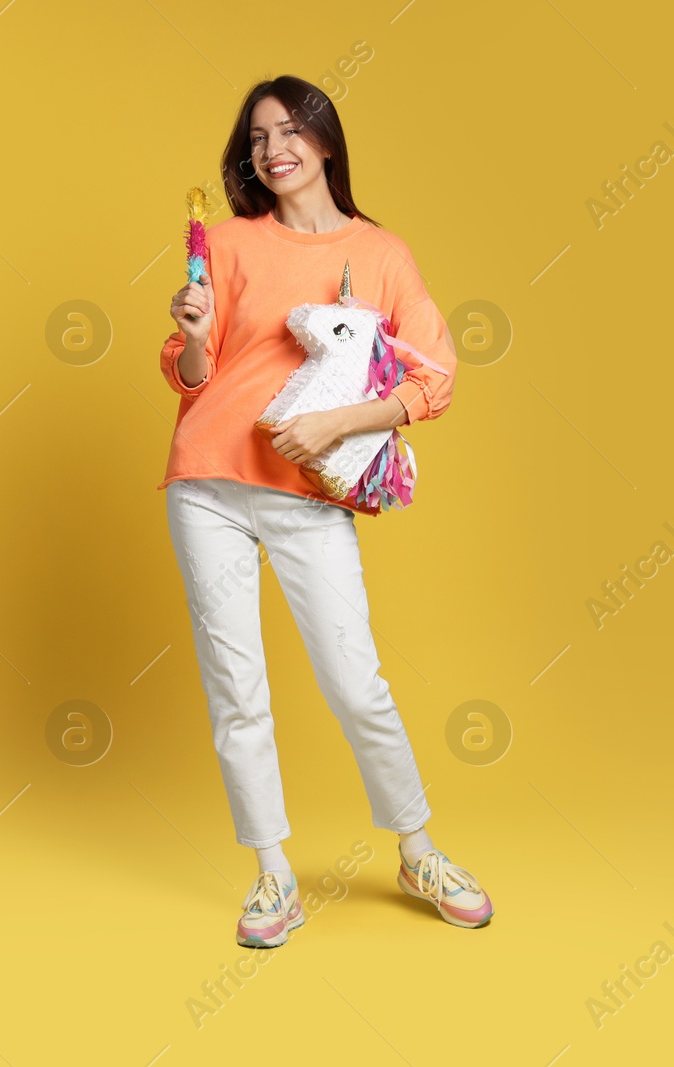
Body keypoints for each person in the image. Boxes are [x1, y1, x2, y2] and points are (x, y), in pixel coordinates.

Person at [158, 76, 493, 947]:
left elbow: (437, 380)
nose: (274, 148)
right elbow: (190, 379)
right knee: (237, 688)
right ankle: (272, 876)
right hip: (208, 484)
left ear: (326, 142)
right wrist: (194, 335)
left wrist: (337, 421)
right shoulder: (226, 244)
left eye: (291, 130)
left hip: (310, 494)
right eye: (259, 137)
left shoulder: (381, 255)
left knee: (355, 681)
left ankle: (417, 849)